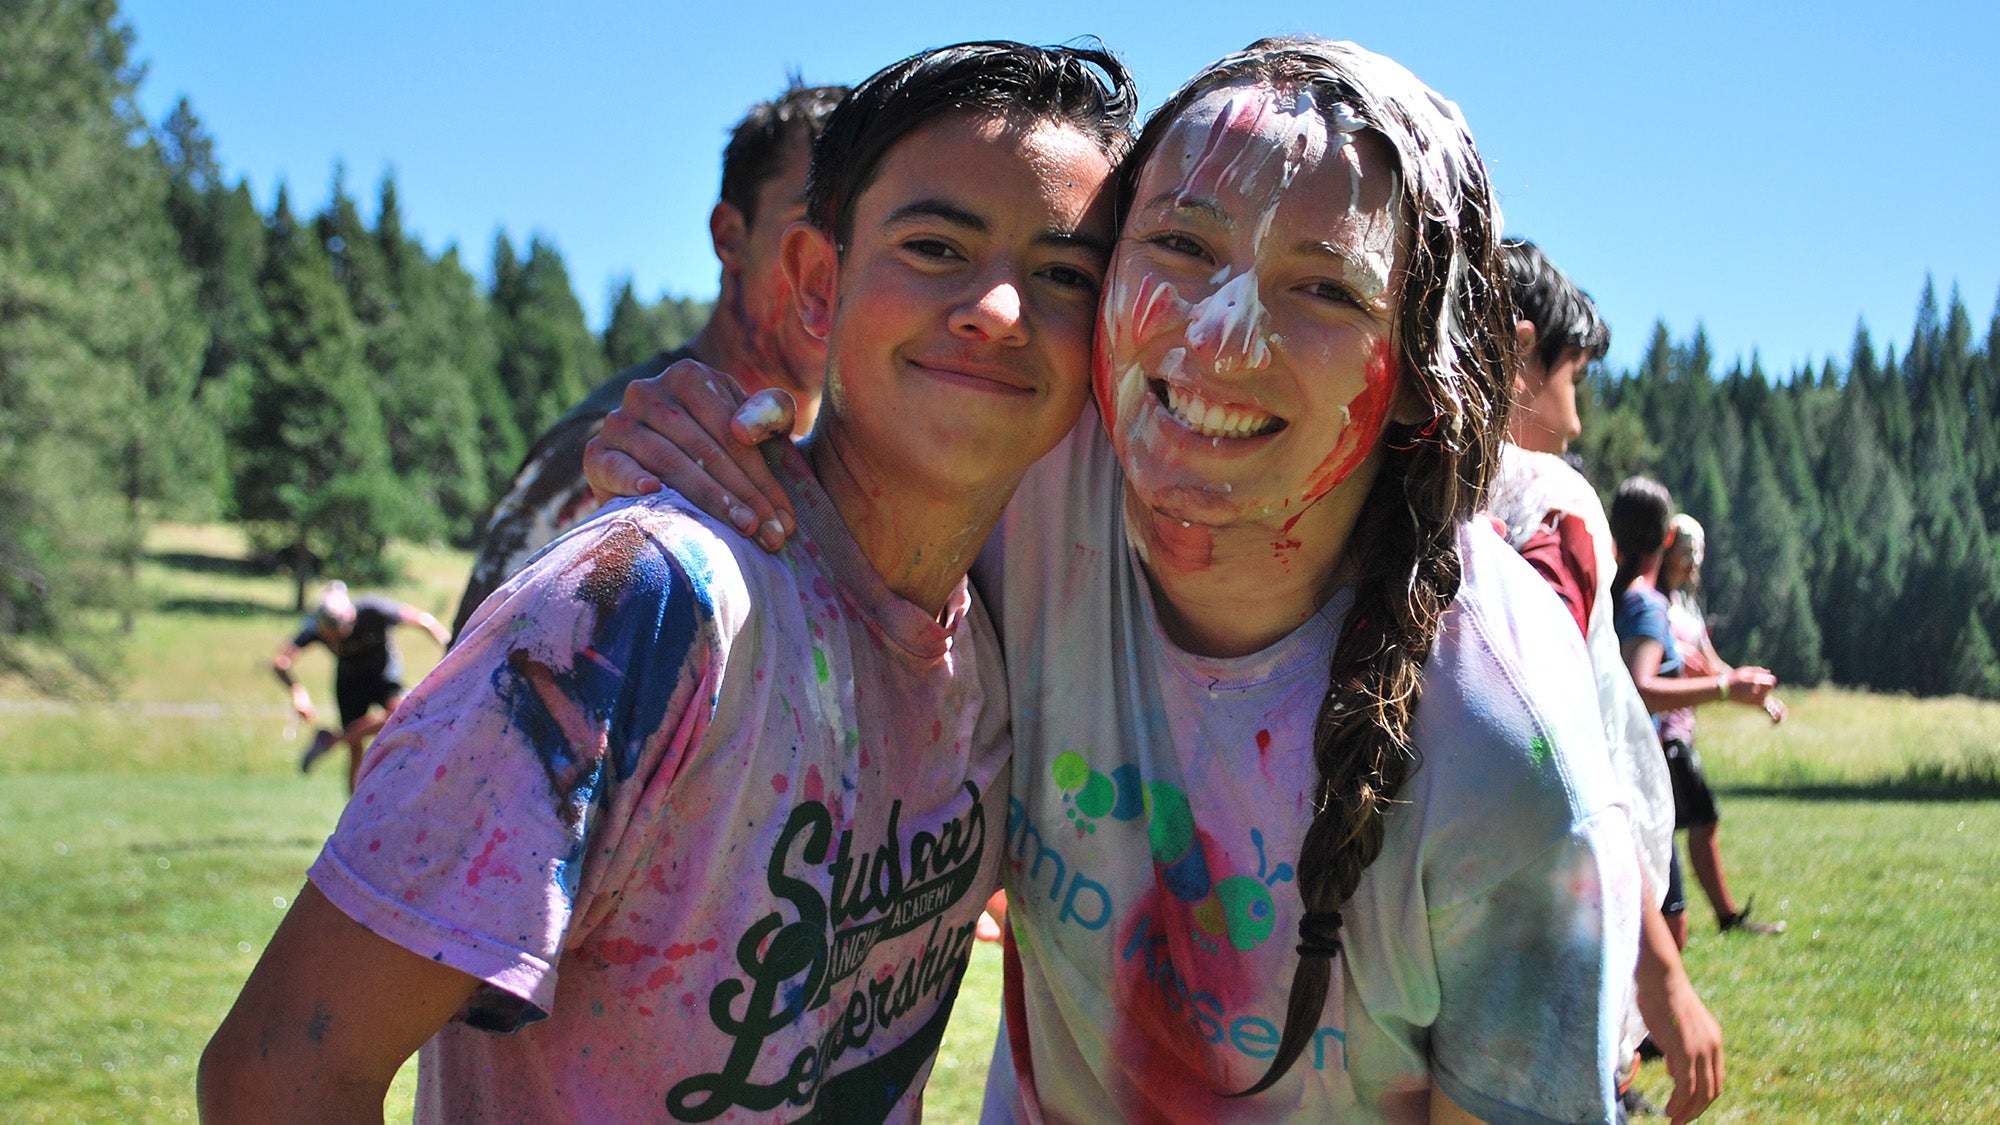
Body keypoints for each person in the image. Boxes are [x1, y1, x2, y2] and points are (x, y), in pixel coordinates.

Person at [589, 37, 1641, 1122]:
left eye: (1323, 288)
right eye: (1180, 245)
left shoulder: (1503, 753)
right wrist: (697, 436)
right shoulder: (1029, 480)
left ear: (1422, 374)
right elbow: (871, 405)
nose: (1219, 339)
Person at [200, 41, 1135, 1122]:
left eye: (1064, 274)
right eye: (933, 247)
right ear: (817, 287)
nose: (998, 310)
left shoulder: (995, 648)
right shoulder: (643, 607)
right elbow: (280, 1068)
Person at [447, 79, 849, 641]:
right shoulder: (610, 453)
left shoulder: (851, 461)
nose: (833, 266)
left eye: (860, 233)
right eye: (812, 225)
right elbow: (467, 712)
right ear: (731, 238)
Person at [1487, 239, 1720, 1122]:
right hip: (1551, 957)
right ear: (1517, 357)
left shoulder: (1387, 497)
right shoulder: (1550, 506)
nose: (1577, 419)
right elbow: (1563, 752)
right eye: (1573, 377)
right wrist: (1662, 975)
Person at [1609, 479, 1785, 951]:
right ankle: (1724, 918)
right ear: (1666, 543)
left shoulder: (1610, 596)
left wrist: (1733, 684)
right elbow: (1642, 687)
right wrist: (1727, 688)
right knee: (1669, 930)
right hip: (1644, 763)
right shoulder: (1647, 605)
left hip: (1612, 771)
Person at [1659, 512, 1787, 938]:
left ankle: (1714, 916)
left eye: (1697, 555)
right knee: (1699, 820)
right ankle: (1710, 917)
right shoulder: (1654, 604)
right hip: (1662, 735)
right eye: (1685, 554)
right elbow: (1683, 667)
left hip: (1682, 732)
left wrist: (1757, 697)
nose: (1692, 563)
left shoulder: (1687, 607)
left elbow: (1713, 668)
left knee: (1691, 824)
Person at [271, 580, 449, 791]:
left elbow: (422, 621)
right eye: (330, 636)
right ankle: (352, 810)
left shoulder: (372, 611)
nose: (336, 639)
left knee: (400, 714)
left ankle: (330, 740)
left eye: (339, 632)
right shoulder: (315, 628)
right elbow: (281, 662)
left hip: (383, 676)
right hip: (350, 683)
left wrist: (450, 647)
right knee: (354, 748)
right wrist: (298, 694)